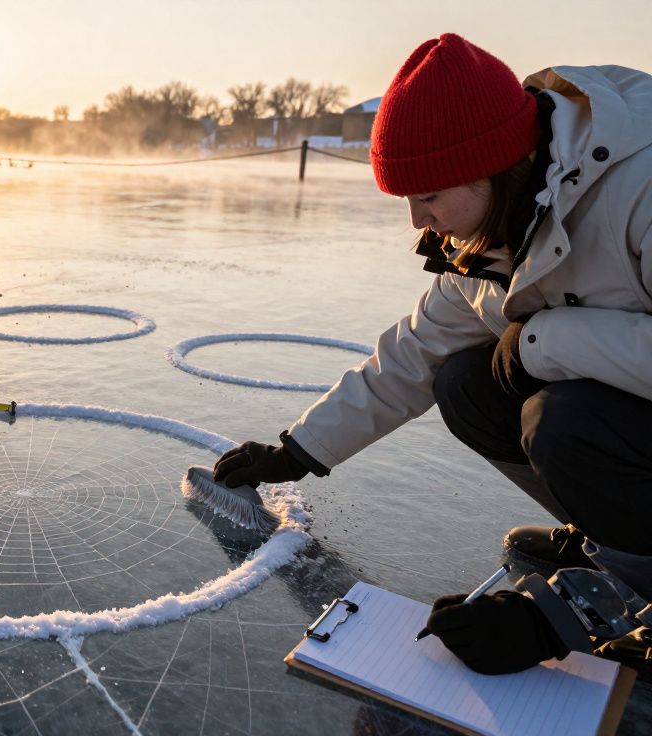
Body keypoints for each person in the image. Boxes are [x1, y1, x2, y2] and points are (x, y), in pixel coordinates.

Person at [212, 33, 652, 674]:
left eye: (430, 197)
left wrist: (566, 615)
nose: (419, 221)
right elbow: (412, 353)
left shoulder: (639, 187)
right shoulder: (504, 225)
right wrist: (297, 450)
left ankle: (632, 590)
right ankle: (622, 540)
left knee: (564, 419)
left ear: (496, 166)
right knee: (467, 382)